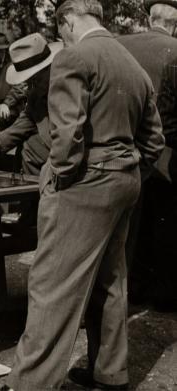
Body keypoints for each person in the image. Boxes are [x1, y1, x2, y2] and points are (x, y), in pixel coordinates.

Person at [1, 1, 165, 390]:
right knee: (110, 279)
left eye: (61, 32)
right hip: (124, 182)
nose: (63, 38)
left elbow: (67, 133)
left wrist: (60, 175)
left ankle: (30, 383)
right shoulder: (132, 65)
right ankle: (110, 373)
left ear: (68, 21)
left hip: (84, 183)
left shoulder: (74, 57)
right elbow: (154, 140)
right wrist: (125, 169)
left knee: (51, 284)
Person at [118, 0, 177, 310]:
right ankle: (162, 293)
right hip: (165, 154)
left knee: (130, 227)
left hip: (123, 149)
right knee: (164, 225)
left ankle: (133, 288)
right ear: (174, 24)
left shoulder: (118, 45)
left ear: (149, 18)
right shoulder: (175, 50)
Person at [0, 34, 63, 176]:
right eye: (27, 81)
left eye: (33, 79)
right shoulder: (36, 94)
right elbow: (24, 122)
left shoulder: (68, 88)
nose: (30, 87)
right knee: (26, 149)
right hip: (47, 164)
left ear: (47, 68)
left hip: (66, 163)